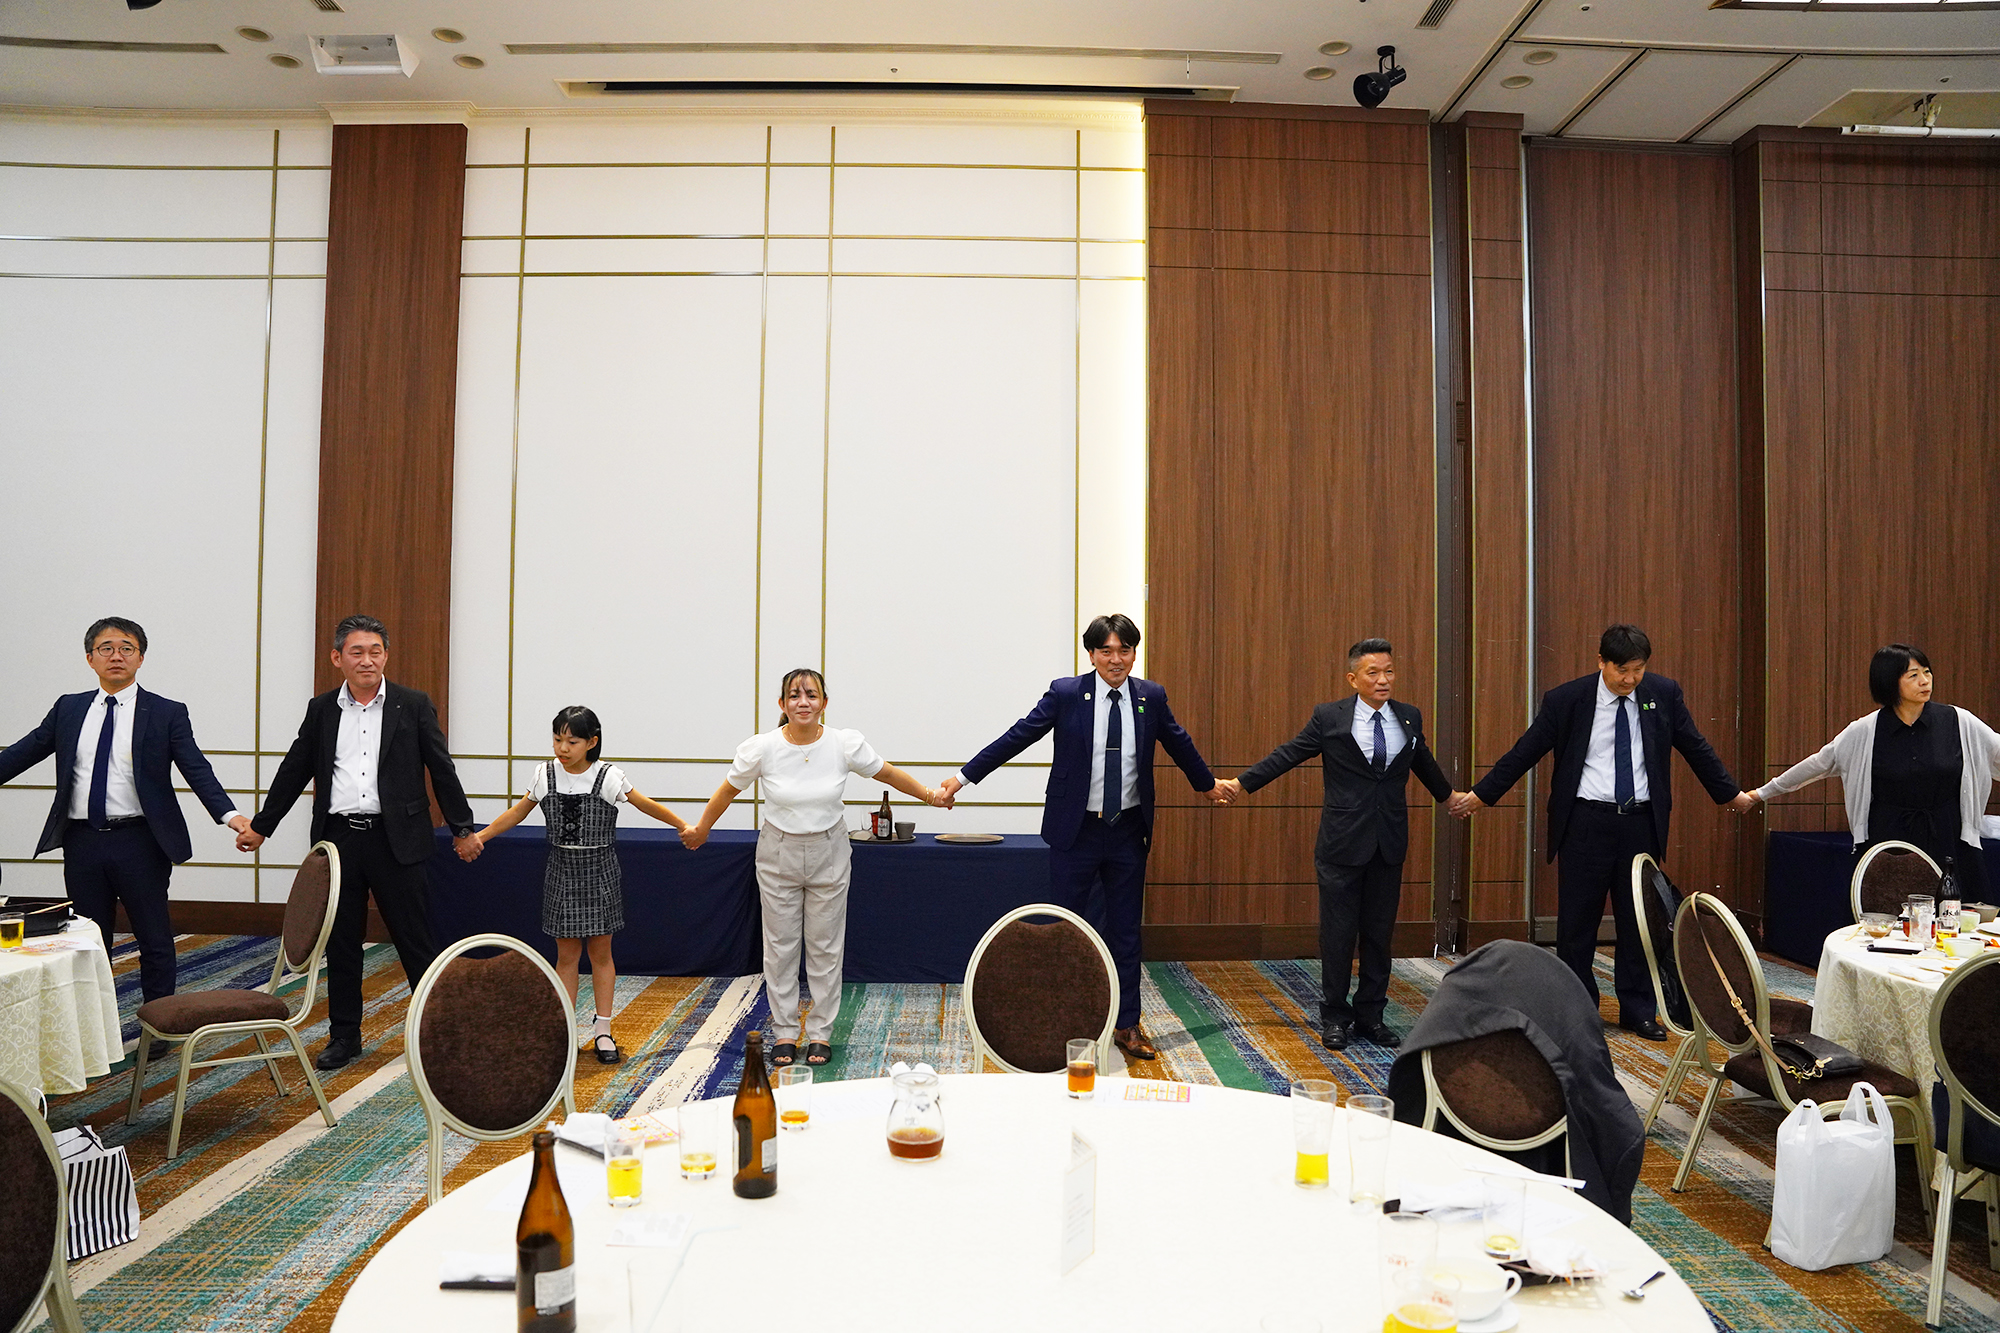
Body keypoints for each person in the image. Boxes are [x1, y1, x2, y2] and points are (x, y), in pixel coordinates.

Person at [939, 614, 1228, 1064]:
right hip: (1076, 831)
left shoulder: (1150, 697)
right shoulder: (1067, 694)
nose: (1116, 659)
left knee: (1126, 932)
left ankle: (1126, 1024)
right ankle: (1067, 1024)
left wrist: (1207, 785)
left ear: (1134, 653)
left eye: (1124, 650)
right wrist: (962, 779)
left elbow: (1178, 742)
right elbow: (1017, 737)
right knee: (1067, 931)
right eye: (1106, 651)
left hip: (1128, 831)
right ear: (1091, 655)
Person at [1449, 624, 1754, 1040]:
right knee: (1577, 922)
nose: (1630, 679)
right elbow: (1525, 751)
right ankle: (1577, 1010)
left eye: (1638, 669)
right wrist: (1482, 796)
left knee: (1637, 921)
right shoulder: (1568, 699)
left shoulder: (1662, 694)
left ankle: (1638, 1009)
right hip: (1585, 823)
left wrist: (1729, 794)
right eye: (1621, 670)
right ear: (1601, 662)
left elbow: (1694, 745)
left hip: (1640, 823)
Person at [236, 614, 482, 1071]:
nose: (367, 660)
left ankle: (438, 1033)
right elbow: (294, 769)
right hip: (340, 840)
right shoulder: (322, 709)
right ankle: (345, 1036)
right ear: (337, 658)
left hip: (398, 840)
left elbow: (441, 768)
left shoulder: (412, 704)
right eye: (356, 652)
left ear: (385, 656)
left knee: (415, 940)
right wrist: (263, 826)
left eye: (375, 651)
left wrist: (462, 828)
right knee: (342, 943)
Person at [682, 668, 946, 1069]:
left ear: (824, 702)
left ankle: (820, 1032)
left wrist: (929, 795)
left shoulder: (844, 743)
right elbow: (728, 790)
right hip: (778, 853)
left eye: (810, 694)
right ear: (782, 704)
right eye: (794, 695)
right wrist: (702, 828)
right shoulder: (762, 747)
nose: (802, 702)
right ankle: (785, 1033)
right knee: (780, 948)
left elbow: (887, 773)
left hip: (829, 851)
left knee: (825, 947)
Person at [1215, 638, 1466, 1051]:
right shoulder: (1329, 717)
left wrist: (1449, 797)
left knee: (1379, 934)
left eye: (1389, 671)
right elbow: (1288, 754)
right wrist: (1241, 784)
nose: (1383, 680)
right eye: (1373, 673)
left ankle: (1371, 1016)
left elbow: (1423, 761)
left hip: (1388, 843)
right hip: (1341, 844)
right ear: (1353, 678)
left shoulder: (1408, 716)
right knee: (1337, 935)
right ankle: (1334, 1016)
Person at [0, 617, 247, 1003]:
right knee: (87, 942)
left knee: (154, 938)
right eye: (106, 648)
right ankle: (92, 1024)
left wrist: (231, 816)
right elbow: (22, 753)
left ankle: (159, 1021)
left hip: (140, 841)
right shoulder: (69, 708)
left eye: (126, 648)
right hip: (82, 842)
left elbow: (196, 769)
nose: (116, 656)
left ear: (141, 658)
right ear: (90, 658)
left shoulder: (166, 712)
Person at [472, 706, 691, 1065]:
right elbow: (517, 812)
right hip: (561, 870)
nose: (563, 747)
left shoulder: (608, 776)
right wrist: (480, 837)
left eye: (572, 741)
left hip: (600, 870)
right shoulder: (544, 774)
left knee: (601, 953)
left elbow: (645, 804)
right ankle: (566, 1030)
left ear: (592, 742)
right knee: (566, 956)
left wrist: (683, 826)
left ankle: (603, 1029)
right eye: (557, 739)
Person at [1745, 644, 2000, 902]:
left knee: (1959, 915)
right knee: (1887, 913)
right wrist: (1760, 793)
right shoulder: (1865, 731)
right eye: (1913, 675)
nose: (1924, 681)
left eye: (1927, 672)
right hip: (1887, 837)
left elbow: (1997, 752)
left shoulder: (1959, 721)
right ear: (1889, 681)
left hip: (1948, 835)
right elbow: (1817, 764)